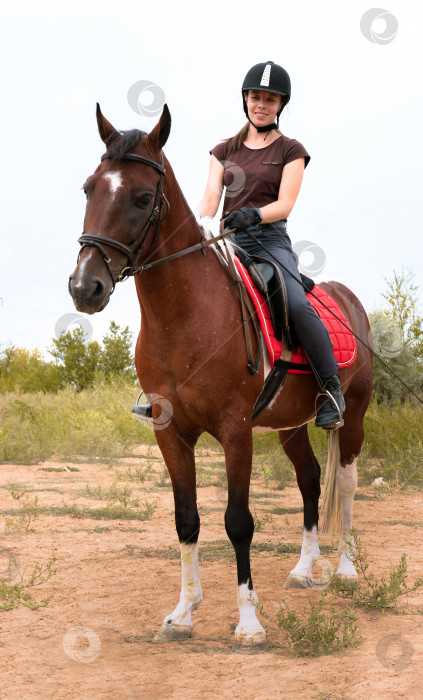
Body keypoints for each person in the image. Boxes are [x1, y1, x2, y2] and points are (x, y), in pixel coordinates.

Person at [133, 60, 345, 429]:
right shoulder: (223, 149)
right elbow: (210, 201)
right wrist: (192, 228)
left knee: (295, 302)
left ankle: (330, 390)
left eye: (269, 99)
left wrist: (255, 215)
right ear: (245, 99)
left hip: (269, 242)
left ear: (281, 104)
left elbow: (286, 203)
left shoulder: (291, 150)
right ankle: (163, 389)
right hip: (228, 240)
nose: (261, 104)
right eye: (255, 97)